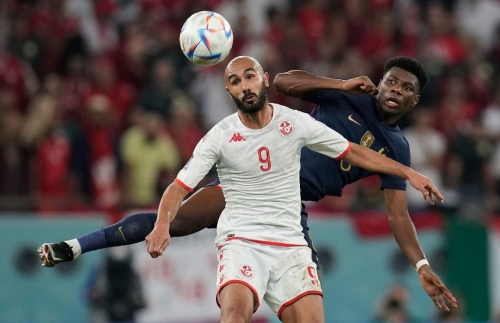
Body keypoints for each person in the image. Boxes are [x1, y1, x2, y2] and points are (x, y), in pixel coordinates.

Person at [39, 56, 457, 315]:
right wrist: (339, 84)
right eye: (391, 82)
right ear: (380, 82)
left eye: (405, 88)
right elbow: (285, 83)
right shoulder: (348, 98)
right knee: (176, 222)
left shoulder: (395, 149)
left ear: (414, 101)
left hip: (289, 209)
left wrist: (422, 267)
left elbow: (397, 215)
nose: (394, 90)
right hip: (248, 186)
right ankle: (76, 246)